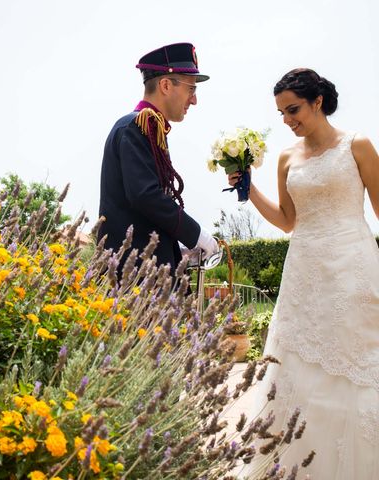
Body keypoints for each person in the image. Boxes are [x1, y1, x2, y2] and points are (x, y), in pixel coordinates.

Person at [232, 68, 379, 478]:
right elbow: (286, 221)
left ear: (318, 101)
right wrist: (249, 188)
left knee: (355, 358)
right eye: (281, 113)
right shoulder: (285, 158)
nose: (287, 120)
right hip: (304, 269)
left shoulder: (358, 145)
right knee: (296, 365)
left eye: (293, 109)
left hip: (352, 266)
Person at [97, 42, 219, 276]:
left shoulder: (148, 128)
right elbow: (146, 196)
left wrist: (179, 246)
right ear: (165, 85)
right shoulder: (136, 126)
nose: (194, 100)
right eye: (191, 89)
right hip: (135, 277)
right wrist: (196, 235)